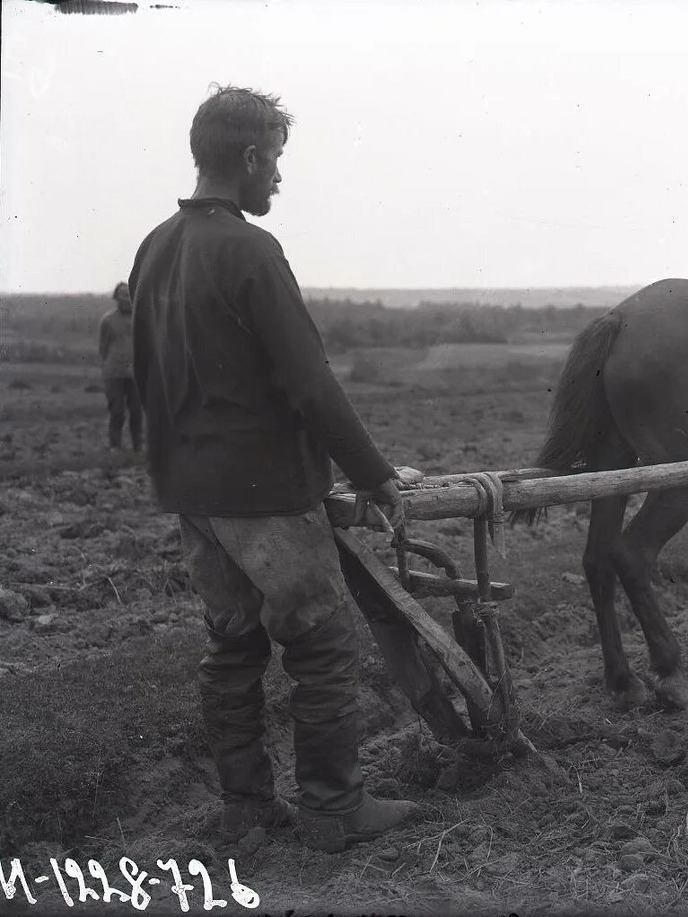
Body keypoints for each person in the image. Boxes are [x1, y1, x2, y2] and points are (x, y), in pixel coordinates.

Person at [128, 85, 424, 854]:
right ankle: (333, 810)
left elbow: (144, 375)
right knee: (322, 645)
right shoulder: (252, 249)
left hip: (192, 493)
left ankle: (246, 814)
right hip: (264, 492)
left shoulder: (155, 245)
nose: (279, 181)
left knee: (231, 649)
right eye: (277, 163)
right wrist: (377, 473)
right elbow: (308, 382)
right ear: (252, 157)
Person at [98, 281, 143, 451]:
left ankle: (138, 447)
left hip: (136, 374)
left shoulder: (140, 318)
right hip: (114, 373)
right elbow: (103, 347)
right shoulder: (107, 320)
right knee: (117, 411)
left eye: (129, 294)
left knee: (137, 411)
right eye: (123, 294)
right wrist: (107, 367)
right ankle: (115, 446)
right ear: (116, 297)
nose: (127, 298)